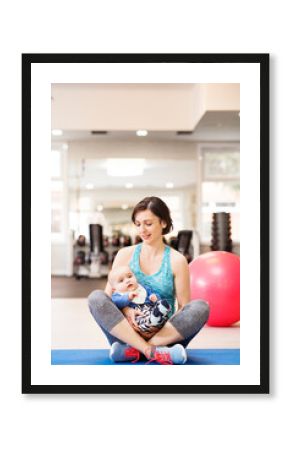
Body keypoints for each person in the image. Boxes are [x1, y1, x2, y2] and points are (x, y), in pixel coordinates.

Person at [88, 196, 210, 365]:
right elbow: (107, 300)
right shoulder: (125, 255)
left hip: (164, 335)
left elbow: (184, 308)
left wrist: (156, 323)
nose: (142, 230)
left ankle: (137, 350)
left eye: (148, 223)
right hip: (126, 334)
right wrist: (128, 312)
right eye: (138, 224)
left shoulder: (177, 260)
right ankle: (150, 351)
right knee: (96, 297)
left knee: (200, 307)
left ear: (164, 223)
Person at [108, 265, 172, 334]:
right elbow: (116, 303)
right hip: (138, 316)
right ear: (114, 289)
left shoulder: (143, 288)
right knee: (140, 321)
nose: (127, 280)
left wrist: (155, 297)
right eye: (121, 281)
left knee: (160, 311)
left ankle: (161, 312)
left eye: (129, 276)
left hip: (151, 310)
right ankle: (154, 319)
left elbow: (153, 294)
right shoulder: (117, 295)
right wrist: (127, 297)